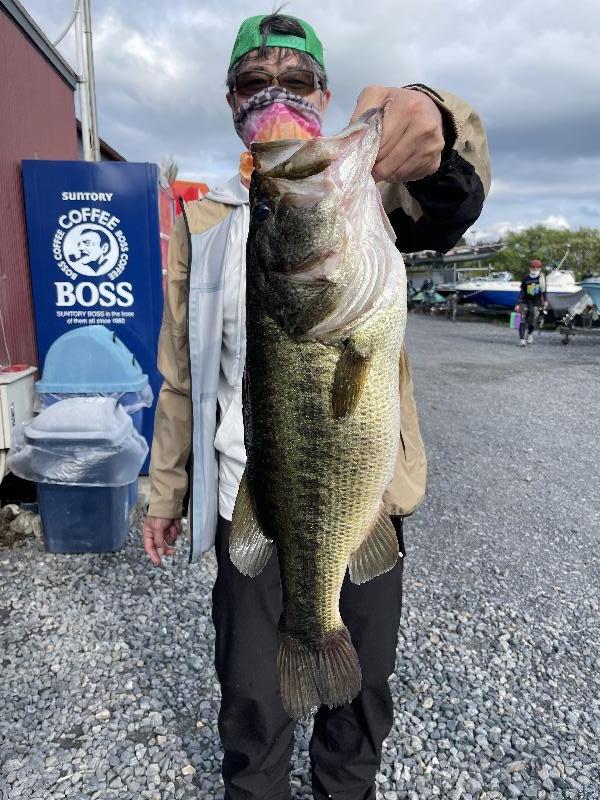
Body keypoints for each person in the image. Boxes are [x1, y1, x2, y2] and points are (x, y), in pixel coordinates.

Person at [143, 12, 491, 800]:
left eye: (296, 80)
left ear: (325, 94)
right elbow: (181, 374)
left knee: (363, 690)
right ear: (230, 99)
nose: (276, 94)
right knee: (249, 692)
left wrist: (435, 117)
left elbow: (453, 198)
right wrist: (166, 492)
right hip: (246, 499)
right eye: (254, 82)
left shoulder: (367, 192)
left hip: (358, 499)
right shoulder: (204, 223)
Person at [515, 258, 548, 346]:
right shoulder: (526, 278)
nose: (535, 269)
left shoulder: (542, 278)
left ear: (540, 268)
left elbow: (544, 291)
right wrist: (517, 303)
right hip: (525, 301)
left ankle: (529, 334)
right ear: (530, 268)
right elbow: (522, 292)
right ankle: (522, 339)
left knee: (533, 320)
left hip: (537, 302)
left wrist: (545, 301)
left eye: (537, 267)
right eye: (533, 267)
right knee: (522, 319)